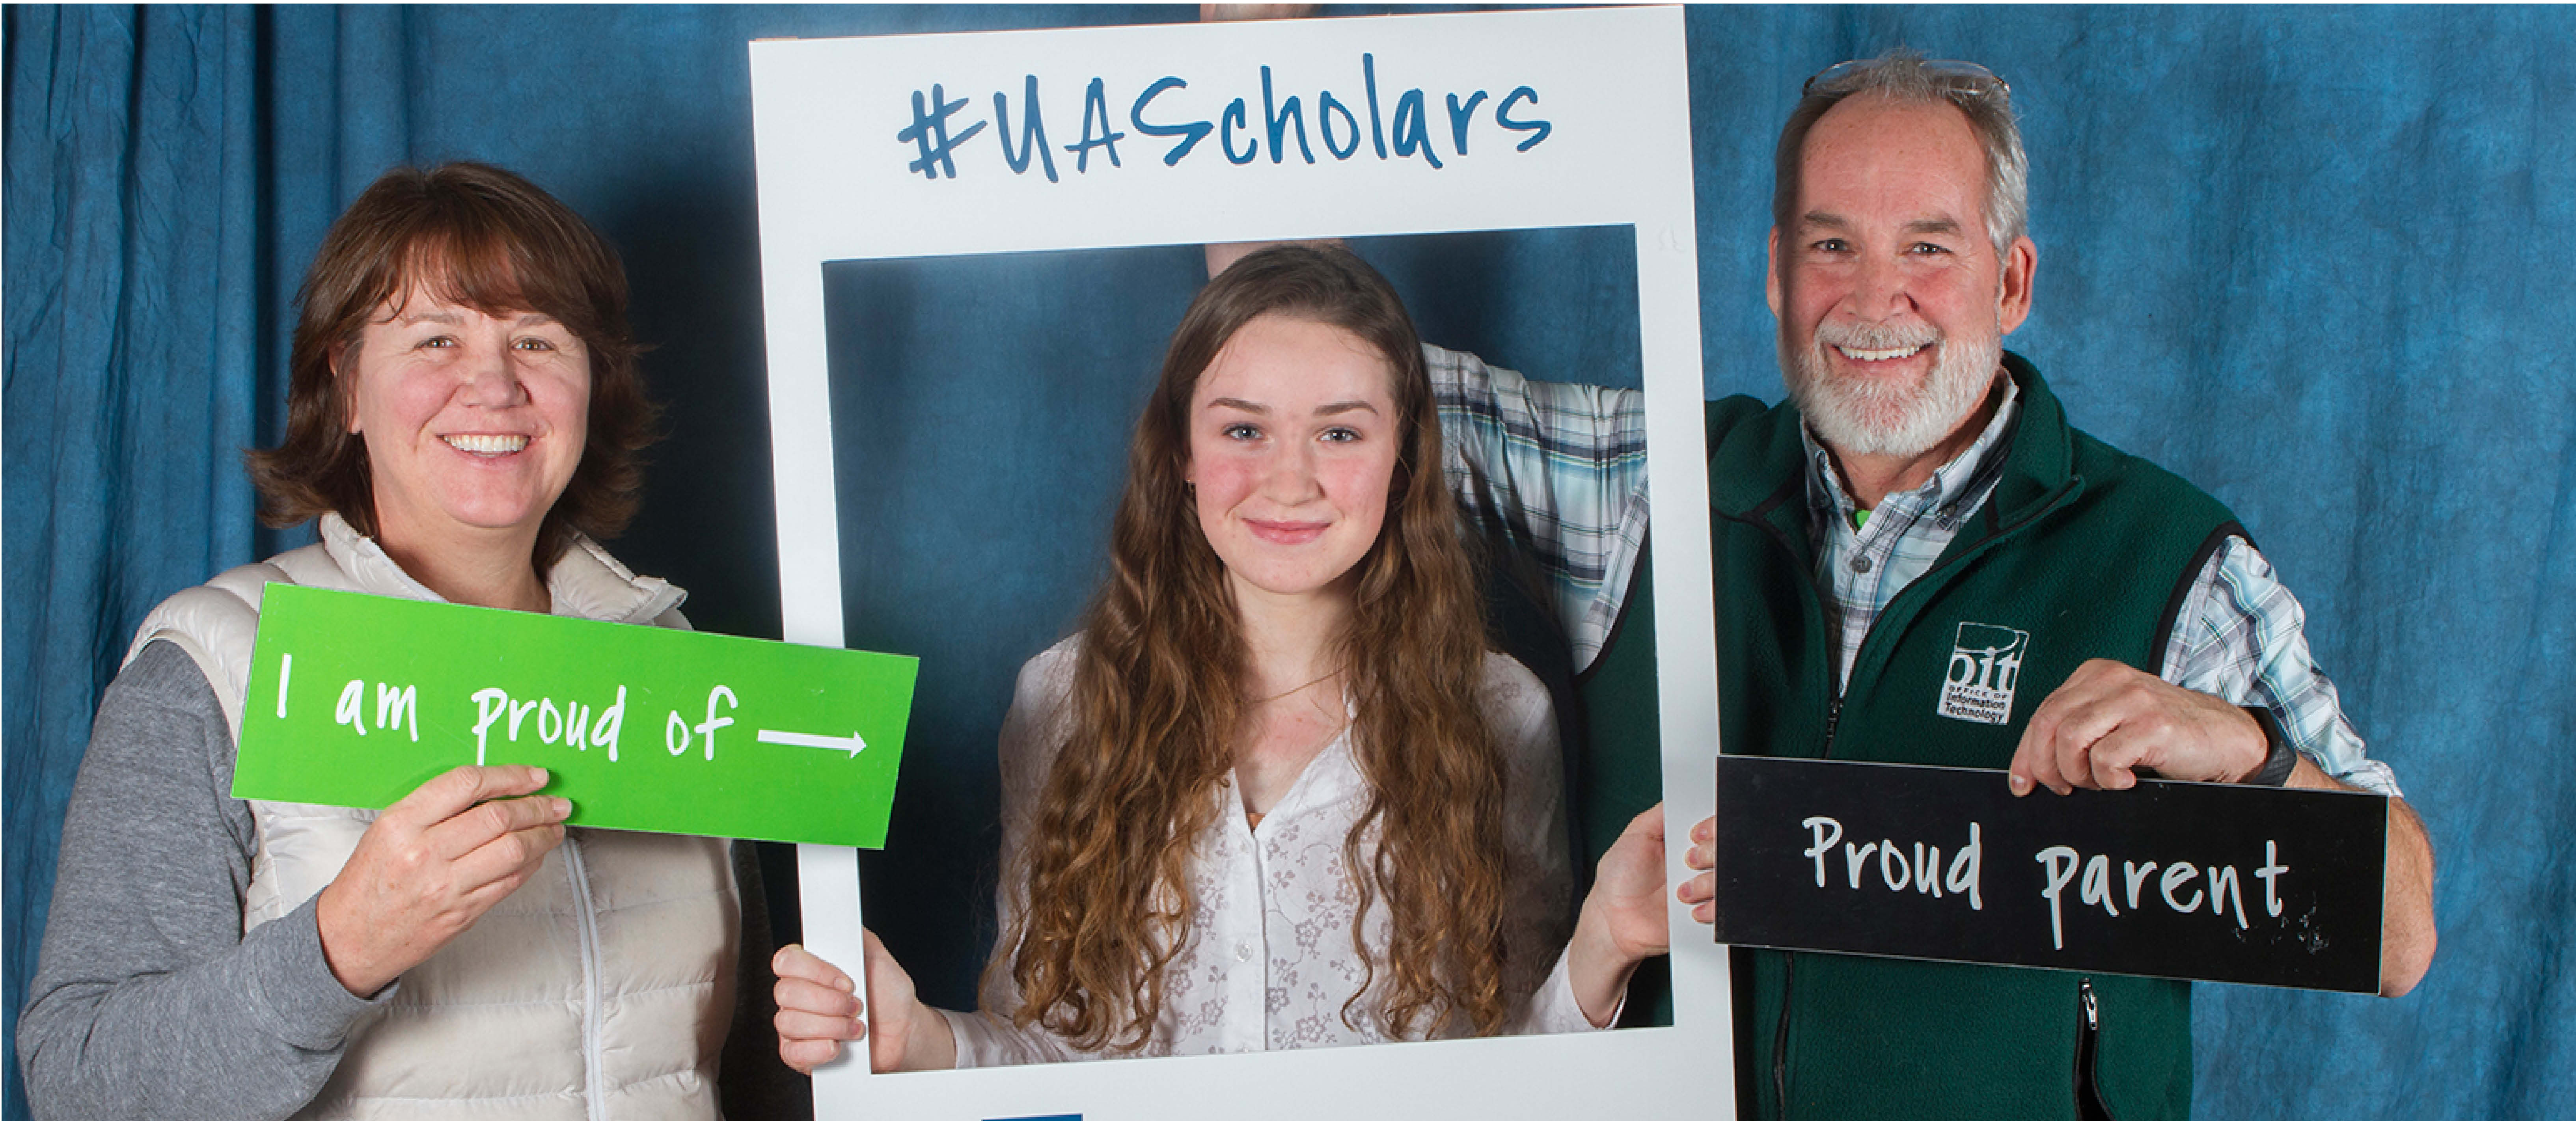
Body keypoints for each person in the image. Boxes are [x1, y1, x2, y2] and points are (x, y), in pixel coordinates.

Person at [1420, 52, 2439, 1120]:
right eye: (1832, 245)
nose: (1873, 299)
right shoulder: (1646, 488)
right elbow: (1324, 391)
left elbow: (2398, 935)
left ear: (2010, 281)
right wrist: (1265, 73)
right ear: (1774, 270)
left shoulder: (2168, 556)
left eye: (1926, 247)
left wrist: (2242, 746)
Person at [770, 244, 1681, 1071]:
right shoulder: (1066, 700)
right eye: (1244, 430)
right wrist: (919, 1039)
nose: (1290, 481)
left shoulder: (1496, 712)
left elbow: (1509, 1071)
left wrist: (1603, 942)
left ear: (1404, 460)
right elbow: (1046, 1047)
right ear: (1181, 454)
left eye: (1340, 432)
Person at [15, 162, 786, 1121]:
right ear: (345, 386)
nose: (495, 385)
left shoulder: (673, 661)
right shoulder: (217, 664)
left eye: (537, 340)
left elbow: (751, 1067)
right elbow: (76, 1078)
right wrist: (341, 948)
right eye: (436, 338)